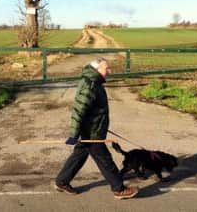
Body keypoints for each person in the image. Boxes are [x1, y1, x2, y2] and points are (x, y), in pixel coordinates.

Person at [54, 57, 138, 200]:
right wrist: (73, 134)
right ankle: (119, 189)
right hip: (92, 133)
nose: (109, 71)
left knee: (79, 156)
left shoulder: (94, 82)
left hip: (92, 129)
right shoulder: (91, 85)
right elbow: (78, 110)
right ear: (97, 69)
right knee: (105, 160)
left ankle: (62, 182)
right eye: (107, 69)